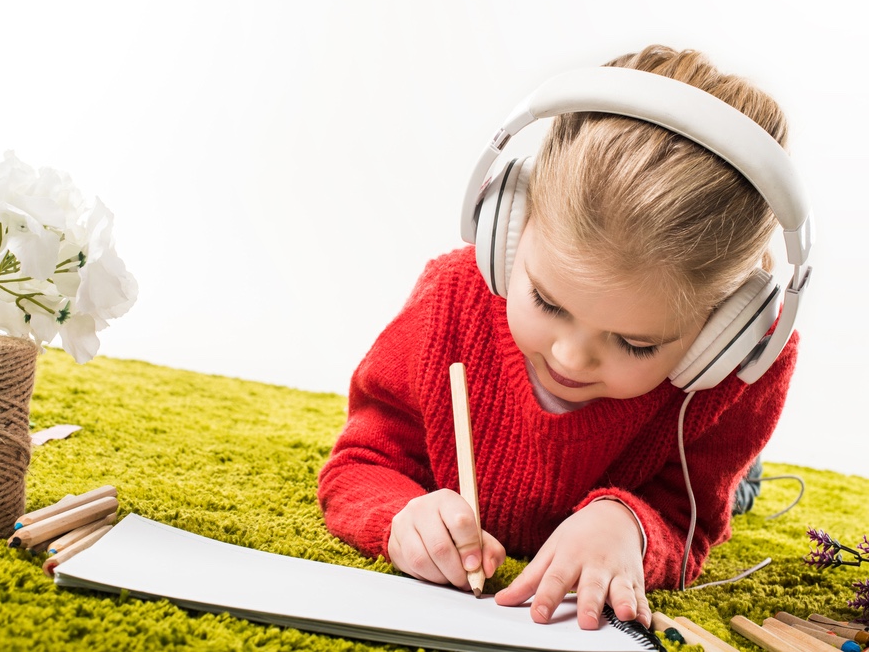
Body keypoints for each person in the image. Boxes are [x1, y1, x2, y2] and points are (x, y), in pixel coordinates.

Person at [317, 45, 803, 632]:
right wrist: (400, 515)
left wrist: (628, 524)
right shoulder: (451, 298)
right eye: (548, 302)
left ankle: (747, 476)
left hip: (672, 454)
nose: (570, 358)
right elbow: (361, 462)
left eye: (636, 343)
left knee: (737, 490)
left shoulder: (735, 372)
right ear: (506, 232)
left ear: (720, 337)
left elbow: (686, 519)